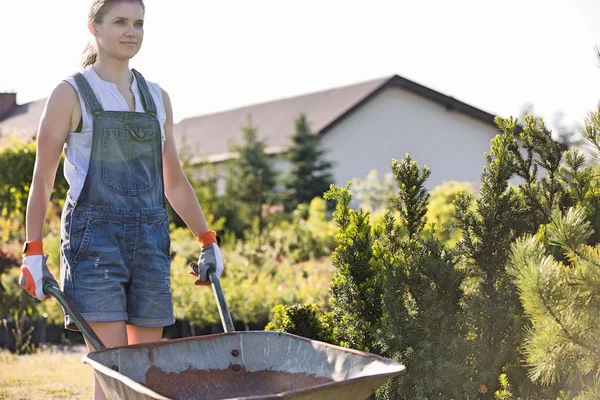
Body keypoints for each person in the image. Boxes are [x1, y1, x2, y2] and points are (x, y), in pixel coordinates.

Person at [18, 0, 224, 398]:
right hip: (94, 246)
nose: (132, 31)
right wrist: (33, 251)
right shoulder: (70, 94)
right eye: (120, 22)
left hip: (150, 244)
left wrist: (207, 239)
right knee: (114, 374)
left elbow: (174, 180)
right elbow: (41, 180)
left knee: (146, 374)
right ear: (93, 27)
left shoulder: (156, 97)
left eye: (139, 24)